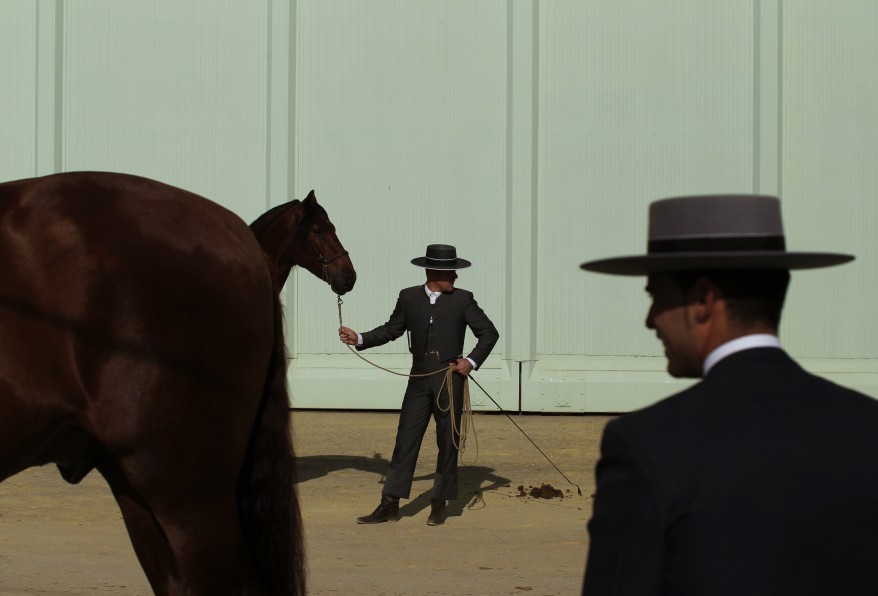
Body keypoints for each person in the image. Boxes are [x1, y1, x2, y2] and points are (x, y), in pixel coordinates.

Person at [579, 194, 878, 595]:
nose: (650, 320)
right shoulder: (867, 425)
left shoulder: (648, 444)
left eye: (655, 296)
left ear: (703, 300)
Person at [339, 243, 499, 526]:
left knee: (447, 442)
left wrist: (470, 362)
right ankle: (390, 503)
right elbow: (392, 329)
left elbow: (489, 333)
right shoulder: (409, 297)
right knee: (405, 440)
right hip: (418, 378)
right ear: (433, 272)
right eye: (451, 273)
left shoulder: (463, 300)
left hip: (449, 379)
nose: (455, 277)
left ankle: (440, 502)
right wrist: (360, 338)